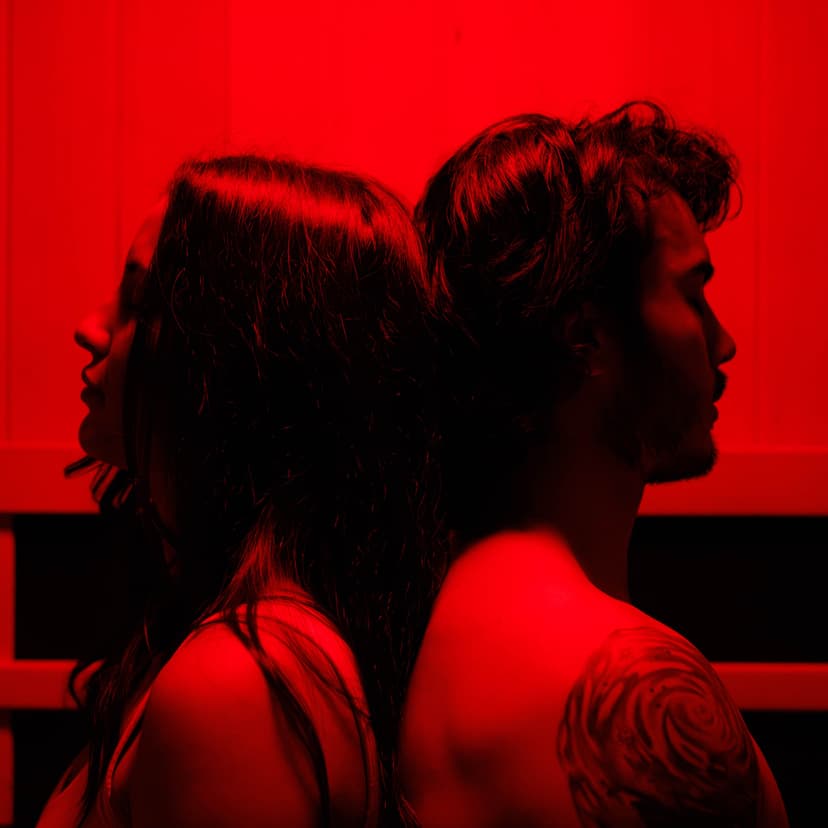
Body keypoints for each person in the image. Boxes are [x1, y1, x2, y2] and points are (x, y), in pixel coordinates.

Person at [400, 103, 789, 826]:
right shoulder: (634, 685)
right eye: (693, 293)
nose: (724, 341)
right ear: (586, 337)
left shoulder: (441, 623)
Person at [39, 155, 445, 827]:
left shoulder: (239, 685)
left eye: (140, 304)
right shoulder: (222, 636)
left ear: (231, 358)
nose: (90, 327)